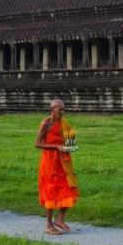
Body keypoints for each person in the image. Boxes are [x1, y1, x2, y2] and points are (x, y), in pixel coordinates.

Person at [36, 99, 79, 235]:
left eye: (63, 109)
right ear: (52, 110)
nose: (62, 112)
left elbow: (70, 140)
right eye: (60, 109)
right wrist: (56, 146)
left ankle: (59, 219)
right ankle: (48, 225)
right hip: (49, 162)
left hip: (63, 162)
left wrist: (71, 145)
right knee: (50, 192)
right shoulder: (46, 123)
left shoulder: (64, 122)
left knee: (69, 188)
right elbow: (37, 143)